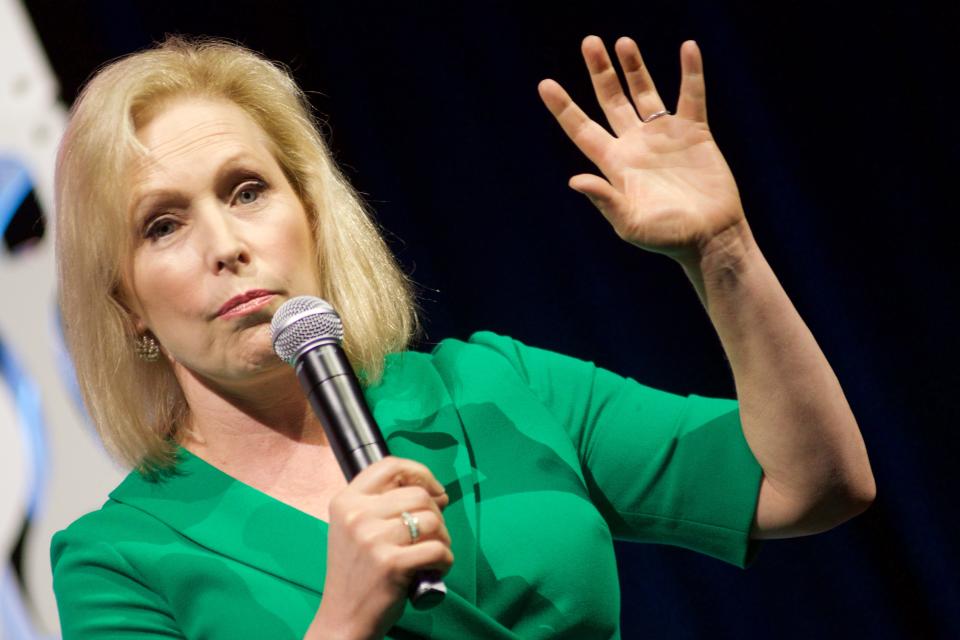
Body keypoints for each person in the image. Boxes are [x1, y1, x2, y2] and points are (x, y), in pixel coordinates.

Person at [50, 34, 875, 639]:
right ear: (126, 304)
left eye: (247, 191)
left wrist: (722, 251)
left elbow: (810, 484)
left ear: (310, 214)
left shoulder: (496, 388)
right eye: (162, 224)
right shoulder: (117, 558)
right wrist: (343, 620)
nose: (225, 245)